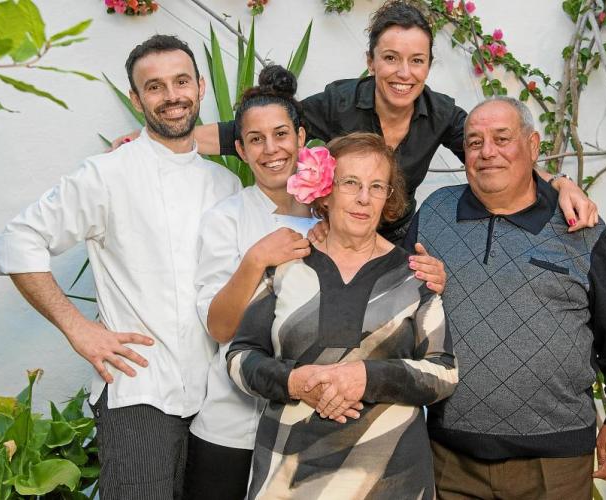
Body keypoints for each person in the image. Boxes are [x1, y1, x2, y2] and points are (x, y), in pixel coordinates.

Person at [113, 0, 598, 242]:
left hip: (397, 240)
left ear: (428, 66)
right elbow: (254, 133)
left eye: (416, 61)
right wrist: (151, 139)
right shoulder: (340, 102)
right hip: (335, 236)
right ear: (371, 61)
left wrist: (559, 183)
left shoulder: (442, 113)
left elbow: (498, 155)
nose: (403, 73)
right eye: (391, 58)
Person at [0, 35, 241, 499]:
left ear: (201, 87)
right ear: (136, 99)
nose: (172, 96)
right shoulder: (107, 174)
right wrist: (78, 328)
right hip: (140, 392)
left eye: (181, 81)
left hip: (215, 398)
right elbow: (17, 240)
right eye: (155, 86)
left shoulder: (225, 184)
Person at [186, 66, 445, 499]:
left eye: (281, 134)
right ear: (240, 150)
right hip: (235, 423)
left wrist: (429, 275)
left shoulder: (335, 218)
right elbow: (221, 329)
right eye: (256, 139)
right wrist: (256, 260)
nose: (272, 149)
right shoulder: (226, 219)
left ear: (302, 139)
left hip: (322, 438)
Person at [403, 97, 606, 499]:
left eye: (502, 139)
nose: (487, 152)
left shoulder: (579, 225)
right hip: (449, 458)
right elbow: (393, 306)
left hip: (555, 463)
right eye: (475, 142)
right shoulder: (435, 213)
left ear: (533, 146)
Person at [227, 132, 458, 499]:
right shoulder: (285, 267)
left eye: (377, 186)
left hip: (389, 481)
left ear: (388, 198)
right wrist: (294, 381)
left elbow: (444, 372)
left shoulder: (414, 275)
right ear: (326, 192)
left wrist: (366, 377)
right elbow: (240, 359)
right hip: (288, 478)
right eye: (351, 183)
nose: (364, 198)